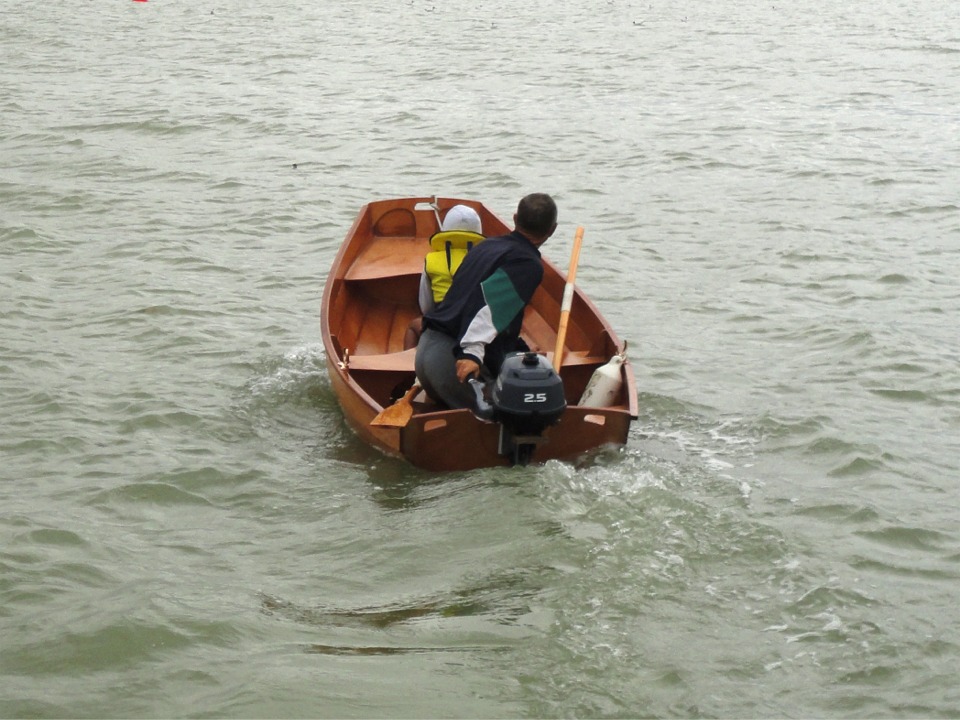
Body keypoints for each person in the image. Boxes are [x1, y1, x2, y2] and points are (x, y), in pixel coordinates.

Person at [414, 193, 558, 409]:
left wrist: (520, 348)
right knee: (510, 413)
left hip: (427, 351)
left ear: (515, 218)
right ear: (552, 229)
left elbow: (462, 298)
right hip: (454, 362)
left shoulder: (484, 247)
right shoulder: (527, 263)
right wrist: (470, 353)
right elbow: (489, 306)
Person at [403, 204, 484, 349]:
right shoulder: (486, 259)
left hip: (443, 323)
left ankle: (410, 365)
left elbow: (426, 305)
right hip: (476, 322)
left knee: (413, 326)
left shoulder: (432, 260)